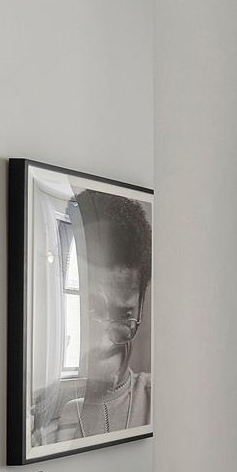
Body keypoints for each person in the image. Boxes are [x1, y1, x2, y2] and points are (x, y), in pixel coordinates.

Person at [53, 189, 152, 441]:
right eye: (92, 310)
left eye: (123, 316)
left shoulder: (165, 402)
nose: (103, 342)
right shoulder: (45, 417)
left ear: (141, 306)